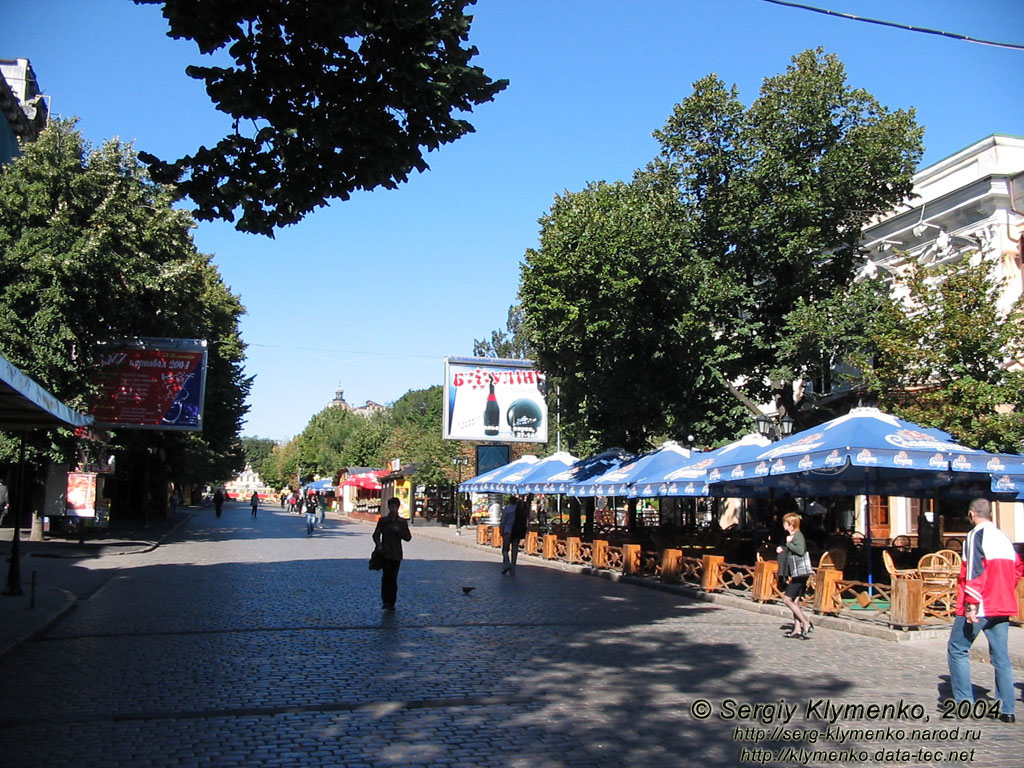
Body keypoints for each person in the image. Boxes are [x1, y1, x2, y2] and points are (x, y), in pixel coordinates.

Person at [946, 498, 1023, 723]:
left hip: (981, 604)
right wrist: (1005, 588)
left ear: (972, 514)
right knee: (1001, 657)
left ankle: (964, 704)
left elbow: (974, 571)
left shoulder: (975, 535)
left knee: (958, 648)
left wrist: (971, 604)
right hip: (1002, 602)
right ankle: (1007, 708)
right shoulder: (1003, 537)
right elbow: (1018, 567)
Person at [776, 512, 813, 639]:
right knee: (795, 601)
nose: (783, 525)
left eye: (785, 523)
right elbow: (792, 551)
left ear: (791, 525)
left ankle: (805, 622)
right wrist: (783, 548)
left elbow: (800, 550)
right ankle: (797, 629)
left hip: (800, 573)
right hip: (797, 572)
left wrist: (788, 543)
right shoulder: (793, 536)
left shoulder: (798, 535)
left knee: (787, 600)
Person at [373, 497, 412, 610]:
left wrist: (398, 531)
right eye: (391, 507)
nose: (393, 509)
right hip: (385, 552)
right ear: (388, 507)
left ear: (398, 508)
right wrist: (379, 545)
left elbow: (408, 538)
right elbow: (376, 535)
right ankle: (385, 601)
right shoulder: (383, 521)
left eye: (394, 507)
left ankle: (392, 602)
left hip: (396, 554)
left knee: (393, 578)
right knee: (386, 577)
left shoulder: (402, 522)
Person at [501, 495, 528, 575]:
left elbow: (503, 521)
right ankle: (513, 568)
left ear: (509, 501)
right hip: (516, 531)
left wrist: (501, 531)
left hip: (507, 531)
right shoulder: (519, 510)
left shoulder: (507, 509)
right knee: (514, 550)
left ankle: (507, 563)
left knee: (505, 550)